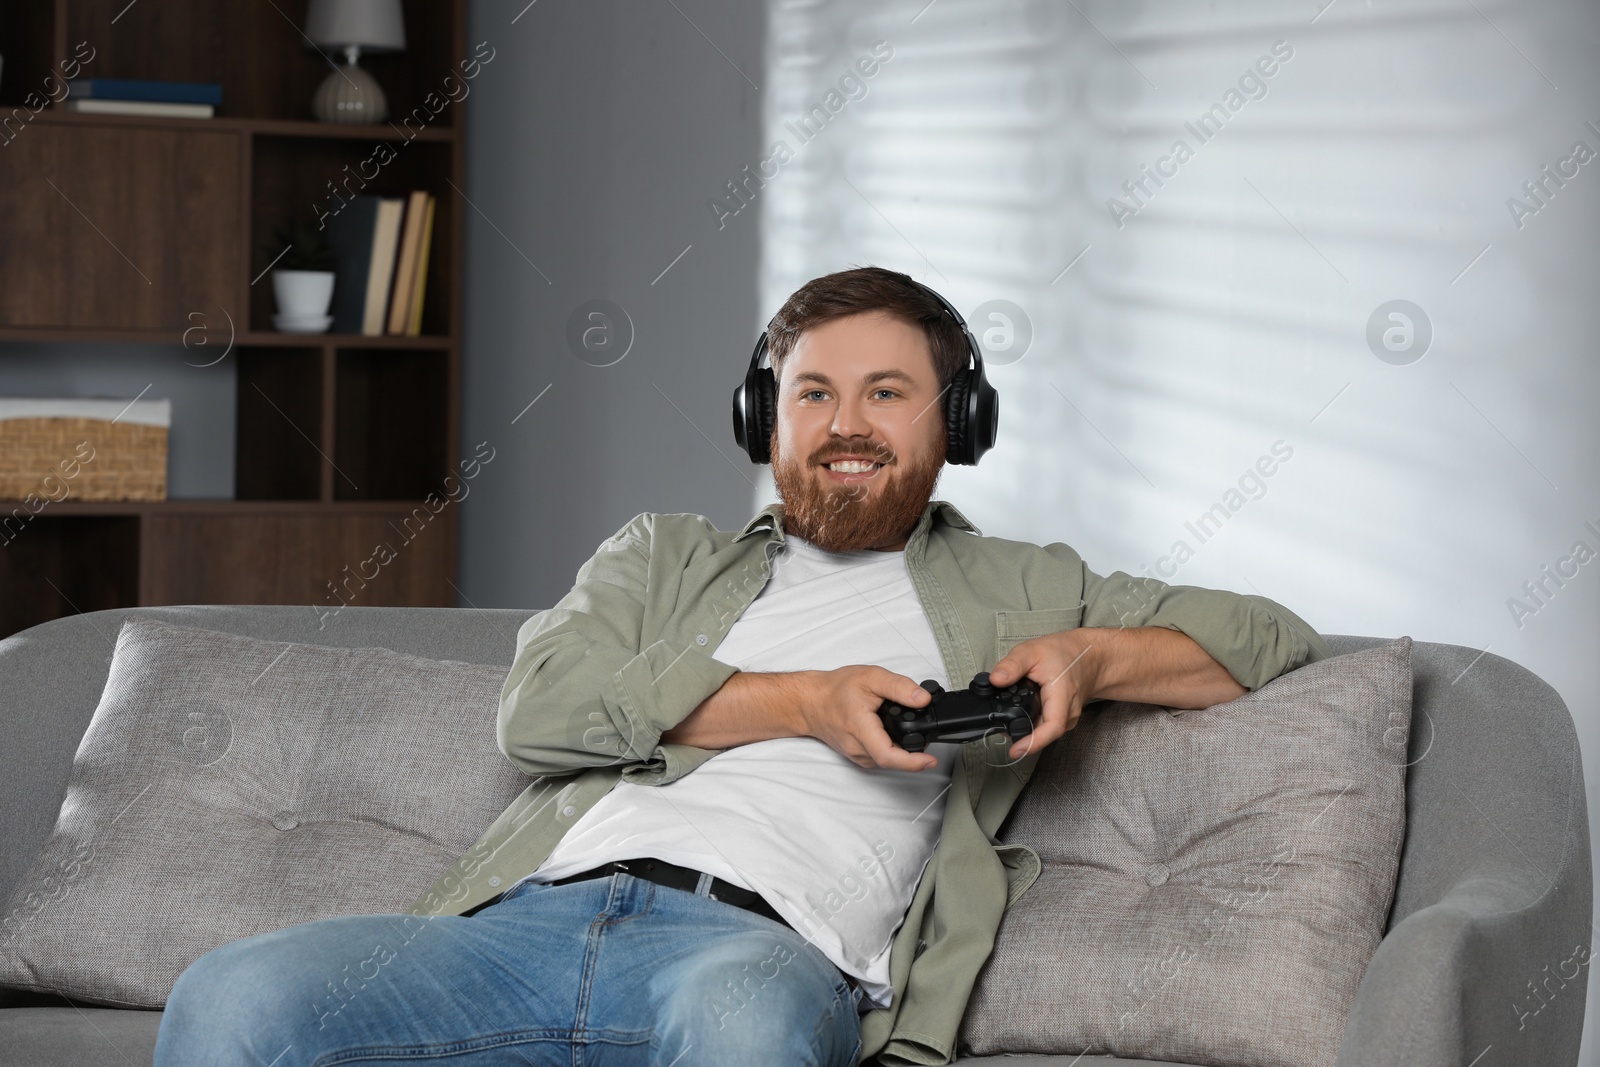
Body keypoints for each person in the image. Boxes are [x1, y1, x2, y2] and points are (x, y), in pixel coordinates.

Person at [154, 266, 1330, 1066]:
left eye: (886, 392)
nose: (844, 423)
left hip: (756, 949)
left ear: (954, 424)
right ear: (762, 418)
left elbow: (1270, 636)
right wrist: (805, 704)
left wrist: (1086, 653)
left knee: (743, 1031)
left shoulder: (1021, 587)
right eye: (811, 392)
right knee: (231, 996)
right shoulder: (664, 555)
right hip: (523, 923)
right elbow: (539, 710)